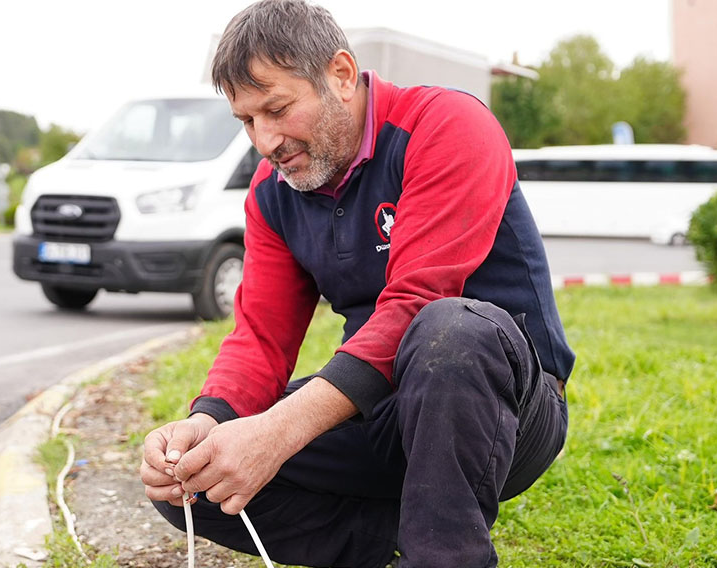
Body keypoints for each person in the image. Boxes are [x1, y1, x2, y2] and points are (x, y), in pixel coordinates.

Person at [141, 1, 575, 566]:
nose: (265, 141)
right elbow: (259, 339)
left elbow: (418, 301)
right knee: (194, 481)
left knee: (448, 329)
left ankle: (446, 555)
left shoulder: (446, 125)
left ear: (341, 75)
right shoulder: (272, 193)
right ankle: (397, 538)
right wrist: (207, 425)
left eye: (277, 108)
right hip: (380, 409)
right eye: (247, 121)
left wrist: (275, 434)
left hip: (503, 409)